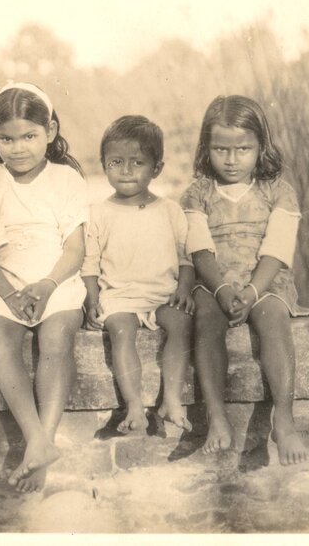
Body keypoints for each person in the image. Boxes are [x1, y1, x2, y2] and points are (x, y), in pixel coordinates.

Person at [0, 82, 86, 494]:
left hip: (55, 278)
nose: (18, 148)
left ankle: (41, 442)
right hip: (2, 279)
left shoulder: (66, 179)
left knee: (57, 340)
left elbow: (74, 249)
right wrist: (11, 293)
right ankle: (37, 439)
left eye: (29, 136)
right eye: (6, 139)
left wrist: (48, 286)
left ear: (50, 131)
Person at [181, 95, 309, 465]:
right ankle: (217, 417)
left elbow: (277, 248)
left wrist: (253, 291)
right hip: (214, 280)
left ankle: (283, 417)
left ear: (260, 147)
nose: (232, 159)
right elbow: (199, 249)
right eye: (221, 148)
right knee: (205, 319)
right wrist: (221, 289)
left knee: (273, 321)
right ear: (207, 148)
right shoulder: (198, 193)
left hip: (266, 280)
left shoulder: (278, 191)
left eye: (243, 149)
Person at [81, 115, 195, 435]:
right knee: (120, 329)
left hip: (162, 292)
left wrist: (184, 289)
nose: (126, 170)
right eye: (116, 161)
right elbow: (90, 264)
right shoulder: (99, 212)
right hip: (120, 294)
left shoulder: (171, 210)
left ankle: (172, 400)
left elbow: (186, 258)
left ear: (156, 168)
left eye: (138, 162)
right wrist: (92, 299)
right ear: (104, 165)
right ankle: (133, 405)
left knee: (181, 324)